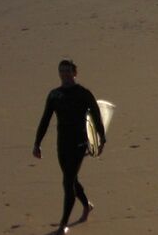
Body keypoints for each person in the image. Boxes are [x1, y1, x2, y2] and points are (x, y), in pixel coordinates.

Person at [33, 59, 106, 235]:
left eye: (67, 71)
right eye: (61, 71)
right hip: (62, 144)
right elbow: (45, 120)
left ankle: (63, 224)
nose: (64, 74)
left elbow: (96, 117)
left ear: (75, 73)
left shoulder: (83, 94)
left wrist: (101, 140)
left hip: (79, 143)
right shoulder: (54, 95)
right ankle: (87, 205)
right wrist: (37, 143)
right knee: (71, 179)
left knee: (67, 183)